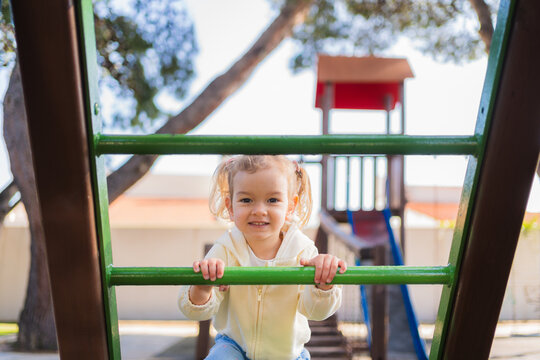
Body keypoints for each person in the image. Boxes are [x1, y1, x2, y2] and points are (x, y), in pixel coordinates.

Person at [178, 155, 347, 360]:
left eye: (272, 200)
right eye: (246, 200)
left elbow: (316, 312)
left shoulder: (303, 252)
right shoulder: (226, 249)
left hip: (288, 354)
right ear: (231, 207)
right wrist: (202, 288)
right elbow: (197, 312)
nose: (259, 210)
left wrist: (324, 284)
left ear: (290, 207)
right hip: (234, 347)